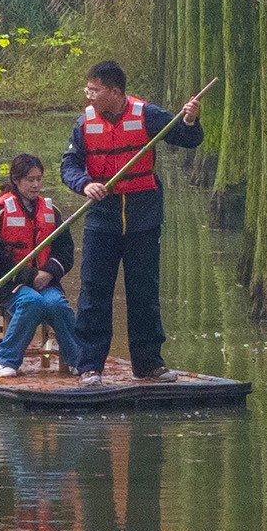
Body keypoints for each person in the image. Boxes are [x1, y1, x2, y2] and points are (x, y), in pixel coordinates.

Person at [61, 60, 201, 380]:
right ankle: (90, 366)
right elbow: (69, 166)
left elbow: (186, 137)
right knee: (94, 291)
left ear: (114, 91)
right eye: (88, 90)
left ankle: (148, 363)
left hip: (143, 217)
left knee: (144, 291)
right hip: (102, 218)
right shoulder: (84, 123)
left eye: (94, 90)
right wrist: (85, 184)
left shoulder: (147, 115)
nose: (89, 96)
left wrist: (191, 120)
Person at [0, 154, 79, 378]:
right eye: (30, 180)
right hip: (8, 284)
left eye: (38, 179)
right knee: (31, 302)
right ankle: (5, 359)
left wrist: (48, 273)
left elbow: (65, 252)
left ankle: (78, 359)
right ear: (17, 180)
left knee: (57, 304)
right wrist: (29, 275)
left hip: (46, 281)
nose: (35, 185)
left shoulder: (52, 212)